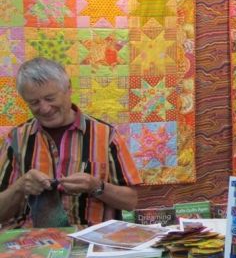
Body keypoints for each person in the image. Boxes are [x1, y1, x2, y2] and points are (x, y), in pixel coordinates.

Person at [0, 58, 141, 228]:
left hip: (89, 238)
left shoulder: (106, 135)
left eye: (50, 98)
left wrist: (96, 186)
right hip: (30, 240)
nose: (44, 108)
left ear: (68, 89)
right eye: (34, 102)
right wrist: (19, 187)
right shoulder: (16, 138)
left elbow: (131, 201)